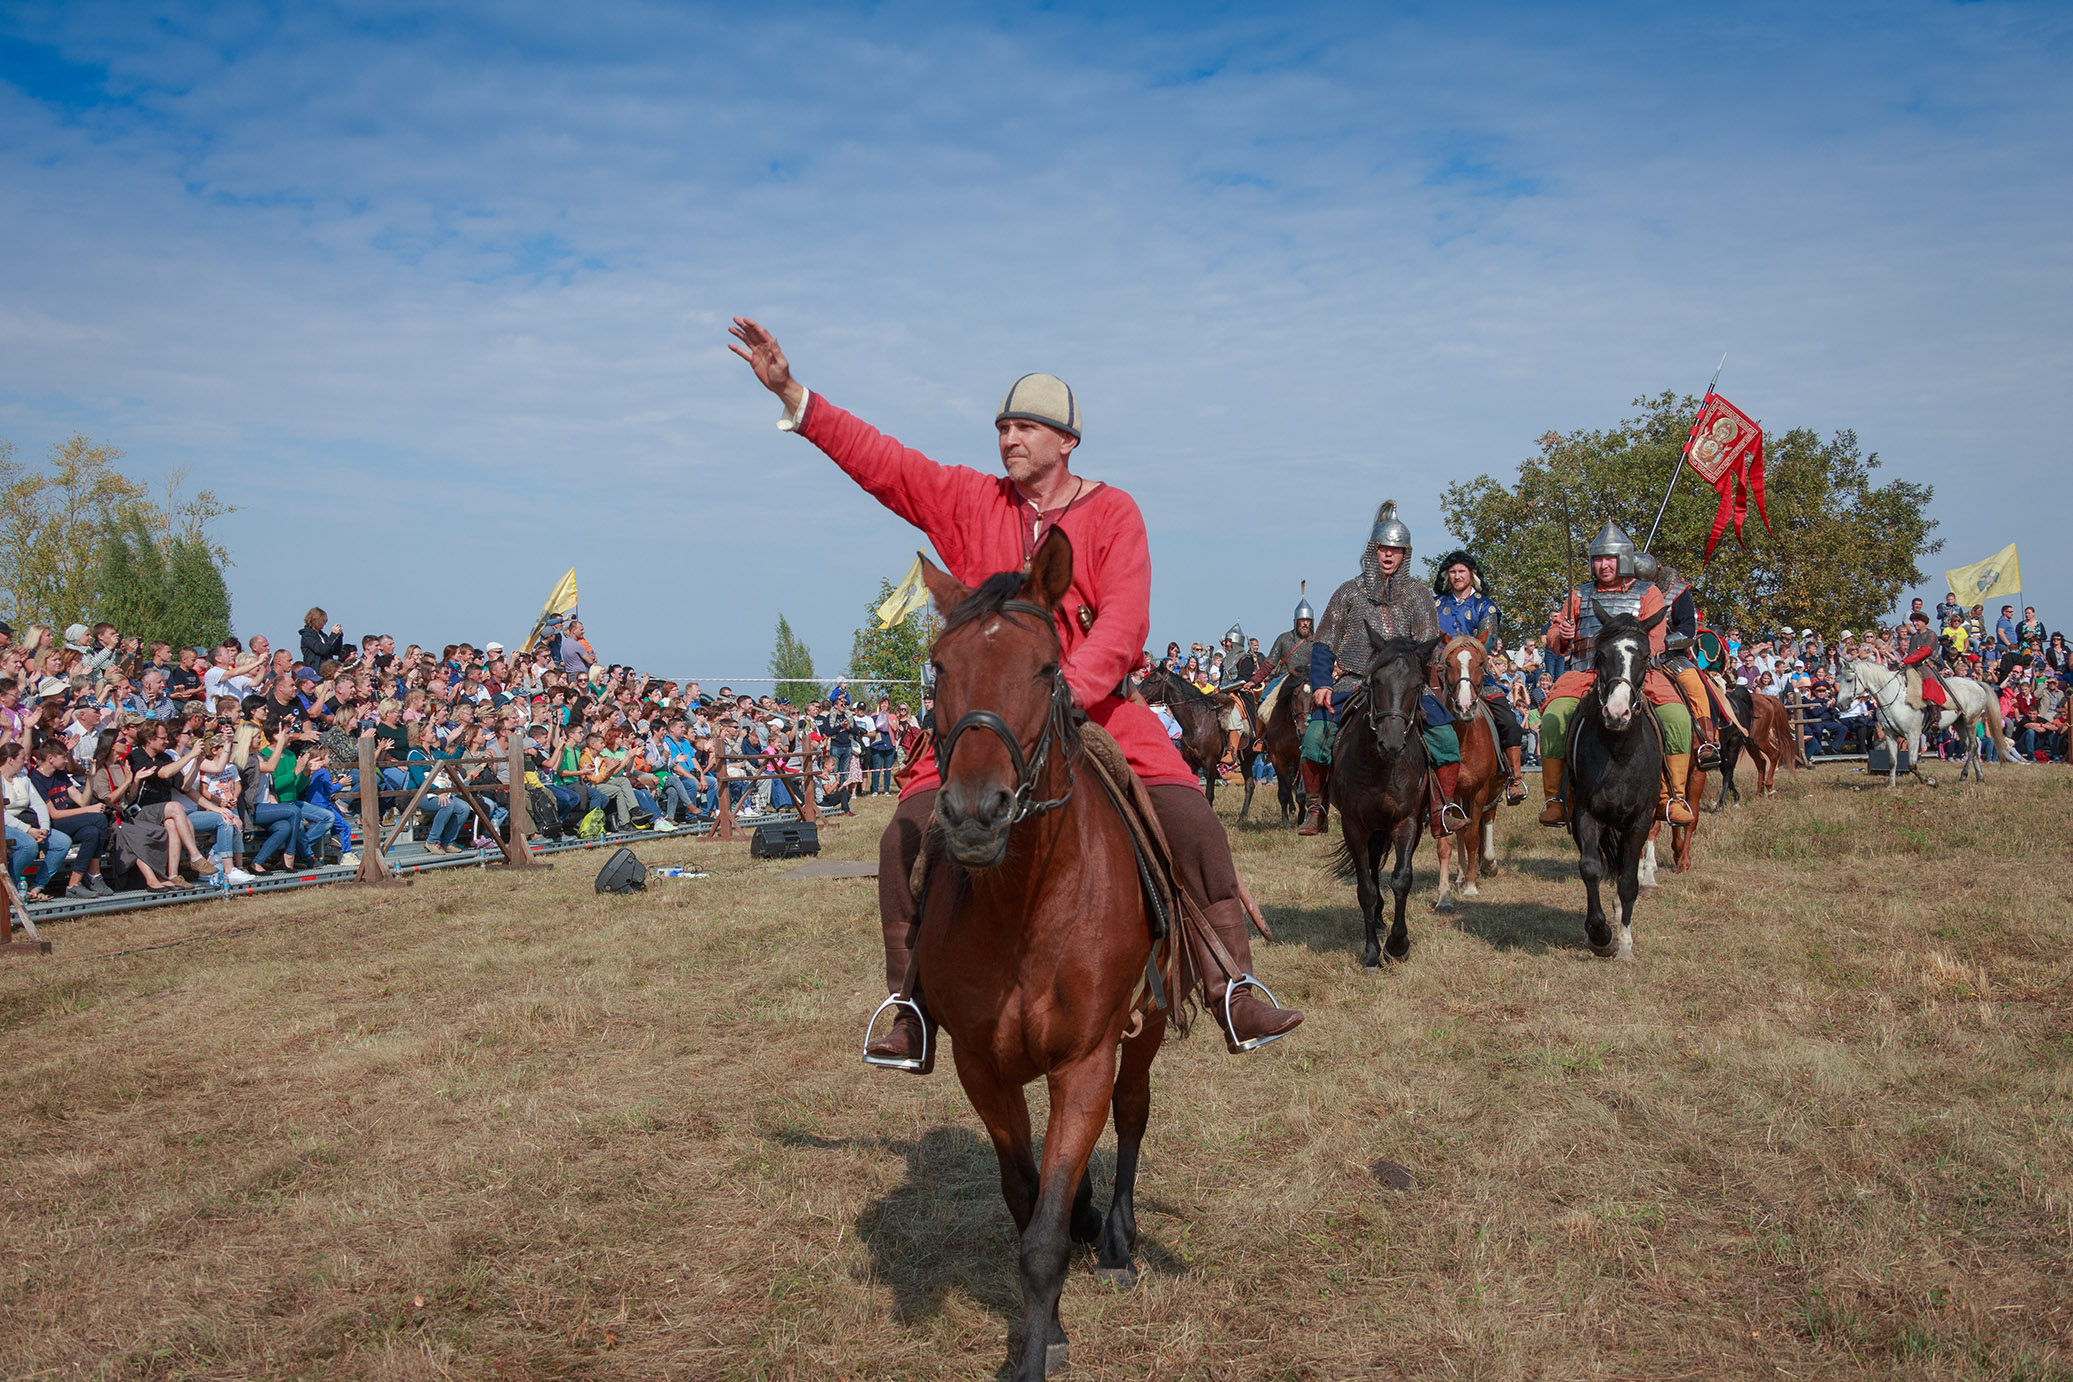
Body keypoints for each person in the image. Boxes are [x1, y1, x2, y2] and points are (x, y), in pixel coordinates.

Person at [730, 315, 1299, 1064]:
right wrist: (796, 397)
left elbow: (1123, 625)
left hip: (1093, 711)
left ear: (1067, 441)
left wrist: (1064, 691)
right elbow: (886, 463)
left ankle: (1233, 986)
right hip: (985, 723)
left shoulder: (1115, 512)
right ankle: (908, 1005)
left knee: (1192, 822)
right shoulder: (970, 501)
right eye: (1002, 428)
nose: (1008, 440)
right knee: (904, 834)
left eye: (1026, 428)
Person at [1299, 501, 1464, 838]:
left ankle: (1441, 808)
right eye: (1384, 549)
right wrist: (1320, 683)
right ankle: (1316, 806)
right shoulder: (1349, 592)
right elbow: (1324, 644)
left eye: (1396, 550)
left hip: (1403, 686)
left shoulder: (1418, 596)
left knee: (1446, 739)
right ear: (1374, 551)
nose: (1389, 556)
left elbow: (1428, 647)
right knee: (1316, 737)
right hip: (1354, 681)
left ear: (1405, 555)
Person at [1536, 519, 1696, 827]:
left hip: (1638, 675)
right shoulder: (1579, 594)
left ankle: (1671, 797)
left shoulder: (1647, 593)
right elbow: (1556, 643)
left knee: (1677, 715)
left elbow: (1655, 640)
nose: (1604, 565)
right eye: (1598, 559)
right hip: (1584, 673)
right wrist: (1565, 633)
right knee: (1554, 716)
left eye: (1609, 558)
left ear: (1623, 559)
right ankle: (1557, 800)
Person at [1431, 549, 1527, 804]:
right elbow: (1429, 638)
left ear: (1471, 574)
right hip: (1441, 674)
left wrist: (1466, 654)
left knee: (1507, 719)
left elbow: (1489, 639)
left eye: (1461, 571)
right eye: (1452, 572)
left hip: (1476, 675)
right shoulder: (1436, 605)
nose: (1457, 576)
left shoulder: (1485, 605)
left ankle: (1514, 779)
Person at [1631, 553, 1722, 771]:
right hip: (1633, 657)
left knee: (1696, 688)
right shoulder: (1627, 594)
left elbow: (1687, 630)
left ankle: (1705, 743)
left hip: (1672, 657)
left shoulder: (1677, 592)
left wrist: (1661, 644)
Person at [3, 741, 73, 901]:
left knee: (62, 842)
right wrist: (28, 830)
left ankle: (37, 886)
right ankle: (11, 888)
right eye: (22, 758)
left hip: (27, 823)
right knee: (28, 845)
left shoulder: (22, 778)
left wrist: (44, 829)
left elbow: (38, 803)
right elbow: (3, 815)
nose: (26, 762)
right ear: (10, 760)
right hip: (6, 825)